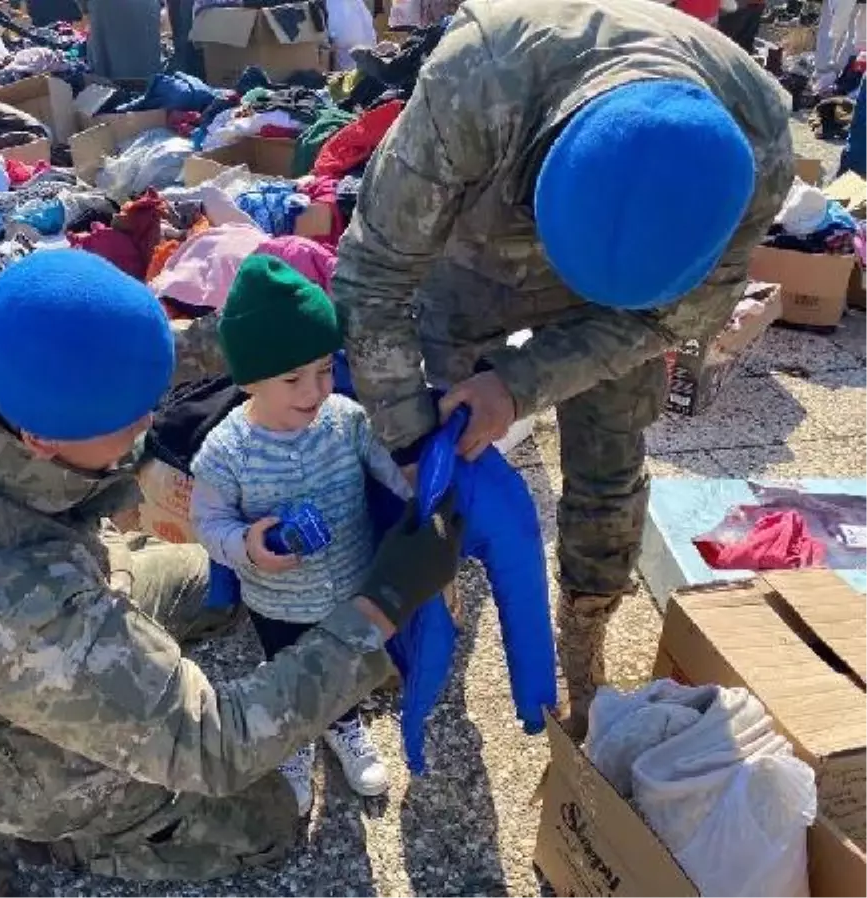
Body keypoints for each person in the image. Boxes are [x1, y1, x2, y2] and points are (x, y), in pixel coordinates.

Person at [0, 249, 464, 896]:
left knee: (210, 580)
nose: (149, 424)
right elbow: (215, 743)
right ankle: (5, 844)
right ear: (42, 441)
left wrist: (275, 338)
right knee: (268, 819)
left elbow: (109, 347)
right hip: (10, 744)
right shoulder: (8, 607)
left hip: (18, 613)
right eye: (130, 422)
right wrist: (381, 607)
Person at [328, 0, 793, 740]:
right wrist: (409, 438)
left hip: (626, 318)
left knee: (610, 463)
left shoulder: (760, 136)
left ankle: (586, 641)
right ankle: (424, 609)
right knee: (437, 457)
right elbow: (373, 277)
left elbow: (672, 318)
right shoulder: (478, 80)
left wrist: (519, 384)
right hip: (476, 261)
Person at [190, 257, 411, 812]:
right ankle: (293, 739)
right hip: (277, 600)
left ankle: (343, 724)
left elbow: (391, 473)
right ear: (248, 381)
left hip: (350, 585)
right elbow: (209, 523)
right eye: (293, 378)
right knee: (290, 668)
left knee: (341, 670)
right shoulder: (225, 451)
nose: (315, 389)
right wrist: (248, 548)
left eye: (323, 369)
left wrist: (421, 494)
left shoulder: (345, 419)